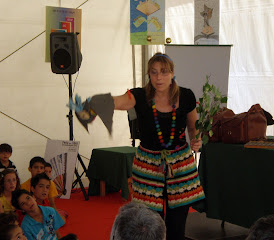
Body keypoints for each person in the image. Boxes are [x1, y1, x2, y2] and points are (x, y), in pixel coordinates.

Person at [71, 52, 205, 240]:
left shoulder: (186, 96)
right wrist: (94, 103)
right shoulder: (140, 95)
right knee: (148, 219)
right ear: (149, 74)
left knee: (178, 220)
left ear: (172, 73)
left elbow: (193, 127)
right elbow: (117, 101)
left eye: (164, 72)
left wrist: (196, 139)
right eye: (154, 72)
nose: (159, 77)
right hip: (148, 164)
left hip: (180, 163)